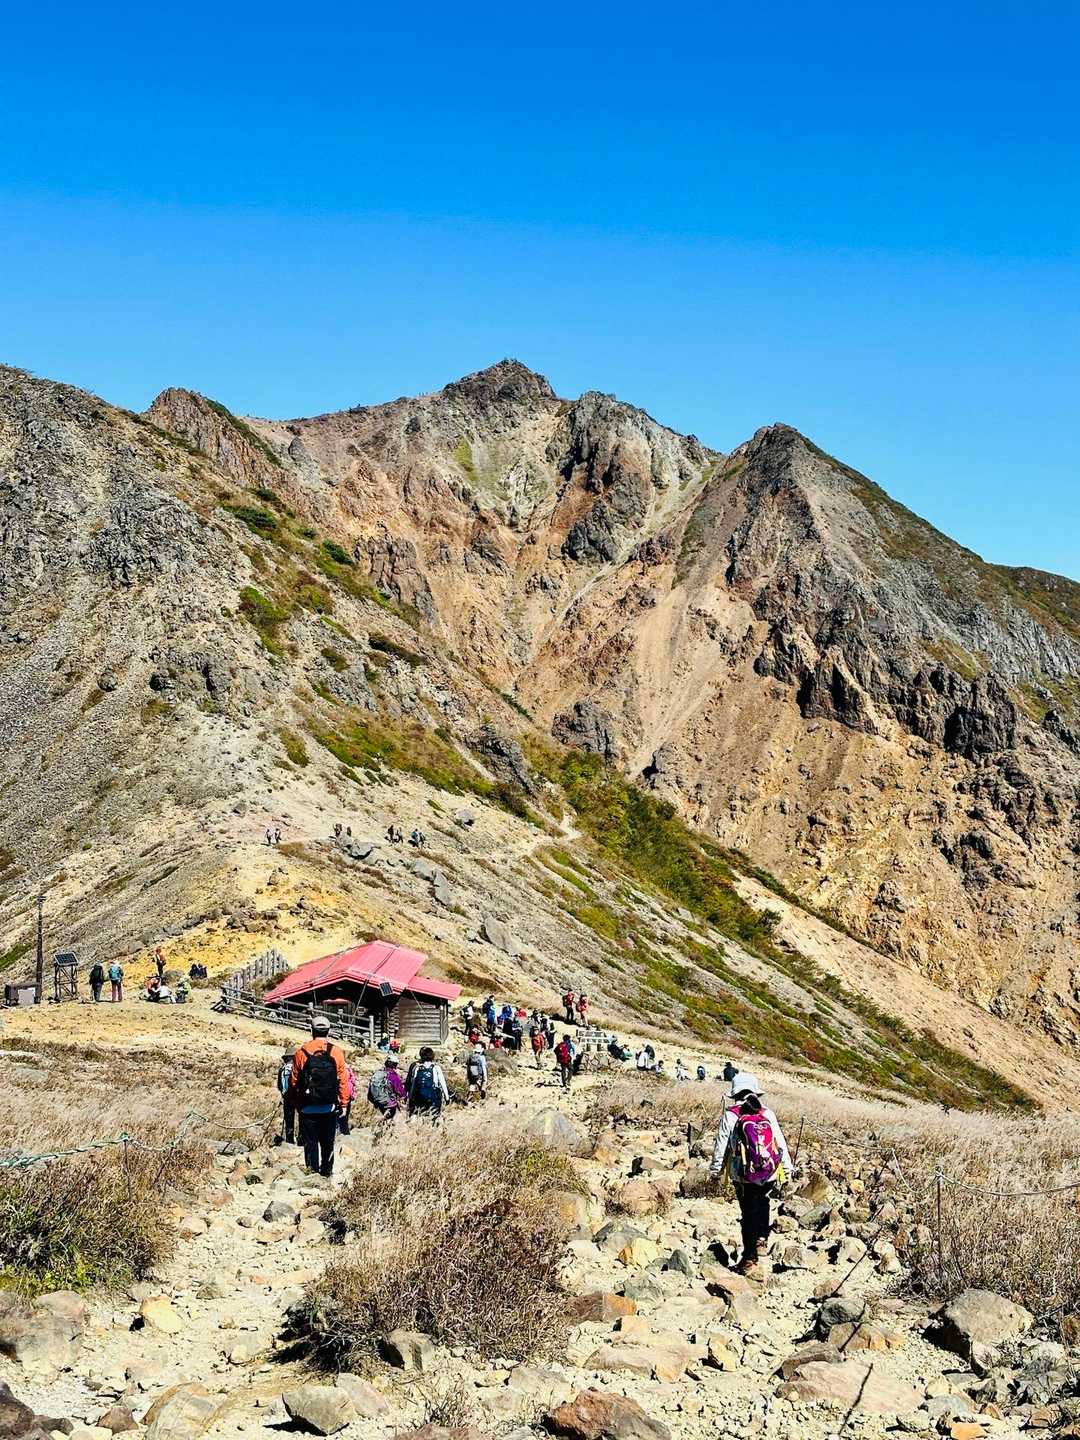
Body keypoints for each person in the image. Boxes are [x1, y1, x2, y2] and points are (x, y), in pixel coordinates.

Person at [710, 1071, 792, 1277]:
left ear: (735, 1093)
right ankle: (761, 1240)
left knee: (748, 1212)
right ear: (755, 1092)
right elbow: (779, 1143)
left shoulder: (731, 1115)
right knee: (763, 1201)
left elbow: (721, 1145)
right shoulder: (767, 1113)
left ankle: (749, 1257)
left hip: (743, 1173)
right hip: (769, 1171)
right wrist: (787, 1168)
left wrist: (716, 1170)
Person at [289, 1016, 350, 1177]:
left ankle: (312, 1174)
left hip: (307, 1106)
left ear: (312, 1030)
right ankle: (327, 1173)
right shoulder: (336, 1052)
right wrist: (344, 1103)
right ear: (328, 1031)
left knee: (310, 1143)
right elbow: (343, 1080)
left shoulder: (301, 1053)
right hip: (329, 1106)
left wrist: (296, 1103)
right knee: (327, 1143)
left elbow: (294, 1081)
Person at [407, 1046, 450, 1120]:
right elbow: (443, 1083)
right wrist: (447, 1097)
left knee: (419, 1115)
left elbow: (414, 1084)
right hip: (434, 1097)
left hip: (420, 1097)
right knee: (434, 1116)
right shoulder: (436, 1068)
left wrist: (410, 1097)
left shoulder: (417, 1068)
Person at [367, 1054, 406, 1126]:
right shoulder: (393, 1076)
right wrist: (404, 1096)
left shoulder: (379, 1073)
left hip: (377, 1101)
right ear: (395, 1065)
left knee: (382, 1118)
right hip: (389, 1103)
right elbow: (400, 1091)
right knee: (389, 1120)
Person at [277, 1049, 298, 1144]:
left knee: (289, 1119)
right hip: (297, 1097)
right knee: (301, 1119)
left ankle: (289, 1140)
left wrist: (283, 1094)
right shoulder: (297, 1069)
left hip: (286, 1097)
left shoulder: (282, 1069)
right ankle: (301, 1140)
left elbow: (279, 1086)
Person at [340, 1062, 357, 1133]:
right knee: (345, 1115)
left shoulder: (339, 1068)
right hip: (348, 1094)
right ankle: (345, 1131)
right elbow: (353, 1081)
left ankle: (342, 1131)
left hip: (341, 1096)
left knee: (339, 1116)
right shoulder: (348, 1069)